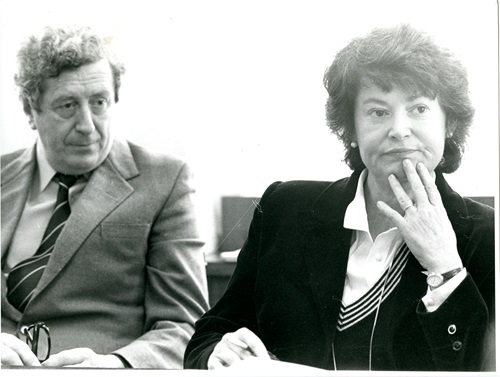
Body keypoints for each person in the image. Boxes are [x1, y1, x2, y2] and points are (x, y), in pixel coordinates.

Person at [183, 24, 495, 371]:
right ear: (351, 130)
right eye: (378, 112)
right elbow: (207, 337)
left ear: (449, 123)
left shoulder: (487, 236)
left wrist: (445, 265)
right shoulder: (283, 209)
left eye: (419, 109)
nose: (399, 129)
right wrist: (217, 352)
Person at [1, 26, 209, 368]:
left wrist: (116, 364)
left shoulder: (165, 180)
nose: (87, 125)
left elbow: (186, 326)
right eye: (67, 106)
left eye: (99, 103)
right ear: (30, 110)